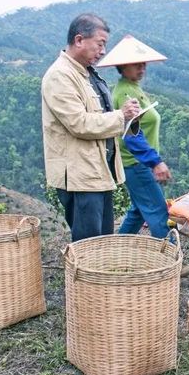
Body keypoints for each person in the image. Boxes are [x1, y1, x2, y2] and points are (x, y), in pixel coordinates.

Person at [41, 14, 140, 241]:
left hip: (96, 172)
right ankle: (80, 278)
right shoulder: (60, 76)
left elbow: (99, 116)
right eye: (100, 44)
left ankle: (97, 277)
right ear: (79, 40)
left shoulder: (85, 74)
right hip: (80, 176)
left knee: (102, 242)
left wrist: (126, 117)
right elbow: (79, 123)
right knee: (88, 245)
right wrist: (120, 115)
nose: (103, 51)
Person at [97, 35, 172, 239]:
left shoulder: (131, 88)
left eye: (144, 64)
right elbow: (132, 134)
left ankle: (116, 250)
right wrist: (155, 162)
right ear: (122, 66)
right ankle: (171, 256)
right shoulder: (125, 93)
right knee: (158, 212)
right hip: (138, 163)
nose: (142, 69)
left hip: (138, 163)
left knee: (138, 212)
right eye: (137, 65)